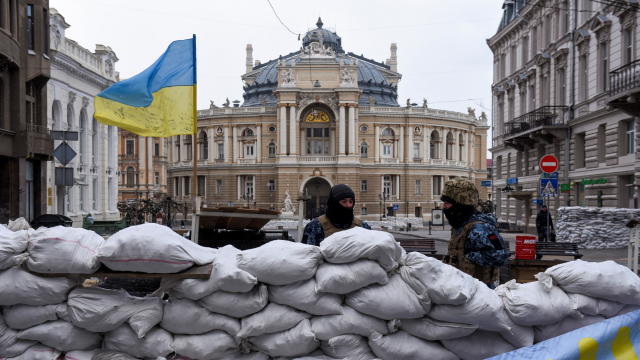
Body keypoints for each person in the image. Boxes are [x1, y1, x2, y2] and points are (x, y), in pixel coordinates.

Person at [441, 178, 509, 289]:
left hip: (480, 290)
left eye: (447, 203)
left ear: (460, 204)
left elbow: (499, 254)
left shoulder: (480, 227)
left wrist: (469, 257)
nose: (444, 207)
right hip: (462, 286)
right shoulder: (461, 225)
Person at [302, 184, 371, 246]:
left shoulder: (362, 226)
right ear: (333, 203)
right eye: (344, 201)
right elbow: (307, 256)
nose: (348, 205)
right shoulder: (315, 227)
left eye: (351, 201)